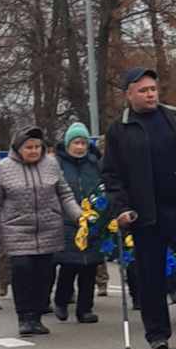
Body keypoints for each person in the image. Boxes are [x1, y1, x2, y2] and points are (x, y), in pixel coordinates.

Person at [100, 67, 176, 349]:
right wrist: (121, 208)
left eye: (153, 89)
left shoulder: (175, 118)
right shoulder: (120, 129)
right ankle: (157, 333)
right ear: (129, 94)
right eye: (143, 90)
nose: (150, 94)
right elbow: (112, 175)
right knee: (150, 274)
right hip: (145, 213)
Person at [0, 126, 80, 336]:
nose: (34, 151)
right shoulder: (4, 168)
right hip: (17, 228)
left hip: (48, 227)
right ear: (18, 148)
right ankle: (24, 317)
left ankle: (37, 317)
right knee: (23, 270)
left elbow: (65, 194)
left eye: (37, 147)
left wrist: (80, 216)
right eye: (29, 147)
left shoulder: (51, 165)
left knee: (45, 275)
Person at [54, 122, 102, 323]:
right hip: (68, 221)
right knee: (69, 264)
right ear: (68, 144)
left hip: (92, 220)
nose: (80, 147)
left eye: (83, 143)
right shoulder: (57, 165)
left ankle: (85, 308)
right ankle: (62, 301)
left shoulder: (95, 164)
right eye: (76, 143)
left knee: (90, 267)